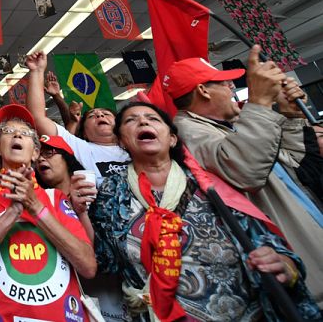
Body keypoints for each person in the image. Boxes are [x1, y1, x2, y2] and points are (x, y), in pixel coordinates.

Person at [85, 101, 321, 321]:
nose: (144, 122)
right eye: (131, 120)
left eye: (153, 119)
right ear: (122, 142)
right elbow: (106, 261)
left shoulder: (209, 181)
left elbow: (269, 245)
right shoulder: (111, 194)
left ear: (173, 139)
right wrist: (80, 210)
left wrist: (284, 266)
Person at [165, 47, 323, 307]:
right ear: (203, 90)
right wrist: (260, 103)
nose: (231, 88)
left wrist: (290, 115)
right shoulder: (186, 131)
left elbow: (293, 162)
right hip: (290, 257)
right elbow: (244, 170)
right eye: (226, 83)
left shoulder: (232, 123)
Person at [0, 104, 97, 321]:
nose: (18, 135)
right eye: (8, 132)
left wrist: (35, 207)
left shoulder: (56, 199)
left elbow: (88, 267)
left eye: (26, 133)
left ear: (36, 153)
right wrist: (13, 212)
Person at [25, 52, 130, 185]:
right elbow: (37, 117)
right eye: (92, 116)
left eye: (106, 114)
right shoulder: (81, 148)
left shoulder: (136, 147)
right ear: (84, 132)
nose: (100, 115)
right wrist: (37, 71)